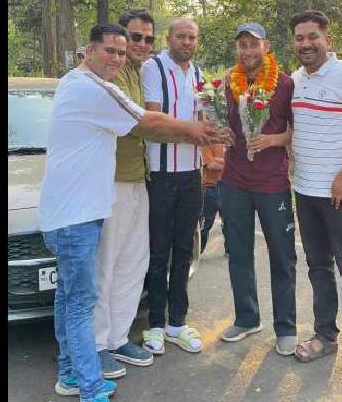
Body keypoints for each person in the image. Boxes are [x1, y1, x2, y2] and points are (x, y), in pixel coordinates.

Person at [37, 23, 221, 402]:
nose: (118, 58)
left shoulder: (77, 83)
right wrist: (197, 130)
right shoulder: (93, 89)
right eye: (110, 50)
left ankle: (71, 374)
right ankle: (89, 388)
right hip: (76, 214)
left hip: (71, 210)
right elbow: (147, 122)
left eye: (122, 53)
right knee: (81, 303)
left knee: (68, 298)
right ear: (86, 52)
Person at [286, 10, 342, 387]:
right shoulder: (294, 81)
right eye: (299, 38)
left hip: (340, 194)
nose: (305, 44)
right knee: (318, 267)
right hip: (304, 191)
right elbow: (294, 126)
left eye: (313, 37)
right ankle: (325, 334)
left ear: (327, 39)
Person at [218, 22, 298, 356]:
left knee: (282, 256)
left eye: (253, 44)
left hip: (272, 184)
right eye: (242, 45)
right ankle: (247, 317)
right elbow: (224, 122)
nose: (248, 51)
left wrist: (274, 139)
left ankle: (286, 327)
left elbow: (298, 129)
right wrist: (220, 132)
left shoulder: (286, 83)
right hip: (234, 181)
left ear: (266, 47)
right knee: (238, 253)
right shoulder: (227, 83)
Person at [92, 10, 158, 379]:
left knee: (134, 262)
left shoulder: (138, 72)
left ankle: (118, 337)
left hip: (138, 179)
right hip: (111, 182)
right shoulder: (107, 77)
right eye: (136, 38)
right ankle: (98, 344)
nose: (141, 45)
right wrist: (198, 132)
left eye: (149, 39)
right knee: (107, 265)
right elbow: (143, 124)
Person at [140, 17, 208, 355]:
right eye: (181, 36)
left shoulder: (199, 75)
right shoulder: (153, 68)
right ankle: (153, 324)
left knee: (184, 248)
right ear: (169, 38)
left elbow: (206, 120)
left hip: (192, 173)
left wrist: (213, 134)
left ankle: (177, 322)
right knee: (158, 249)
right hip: (160, 174)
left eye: (192, 37)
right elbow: (153, 122)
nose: (187, 42)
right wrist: (194, 131)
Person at [198, 141, 226, 255]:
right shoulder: (205, 142)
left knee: (230, 222)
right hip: (209, 188)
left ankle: (230, 251)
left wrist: (217, 160)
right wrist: (229, 164)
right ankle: (197, 251)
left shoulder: (229, 143)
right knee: (205, 223)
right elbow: (210, 165)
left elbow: (239, 163)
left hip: (227, 187)